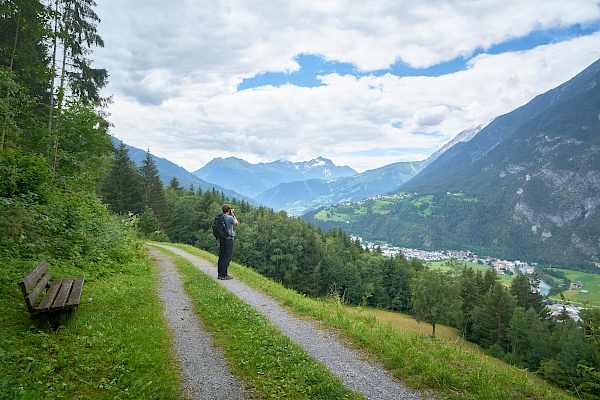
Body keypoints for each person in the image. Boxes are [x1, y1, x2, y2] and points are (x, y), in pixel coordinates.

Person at [217, 204, 238, 280]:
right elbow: (236, 223)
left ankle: (220, 273)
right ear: (228, 210)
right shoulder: (229, 218)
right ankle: (224, 274)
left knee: (222, 256)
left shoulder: (221, 217)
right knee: (227, 257)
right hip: (229, 239)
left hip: (222, 238)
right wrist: (233, 215)